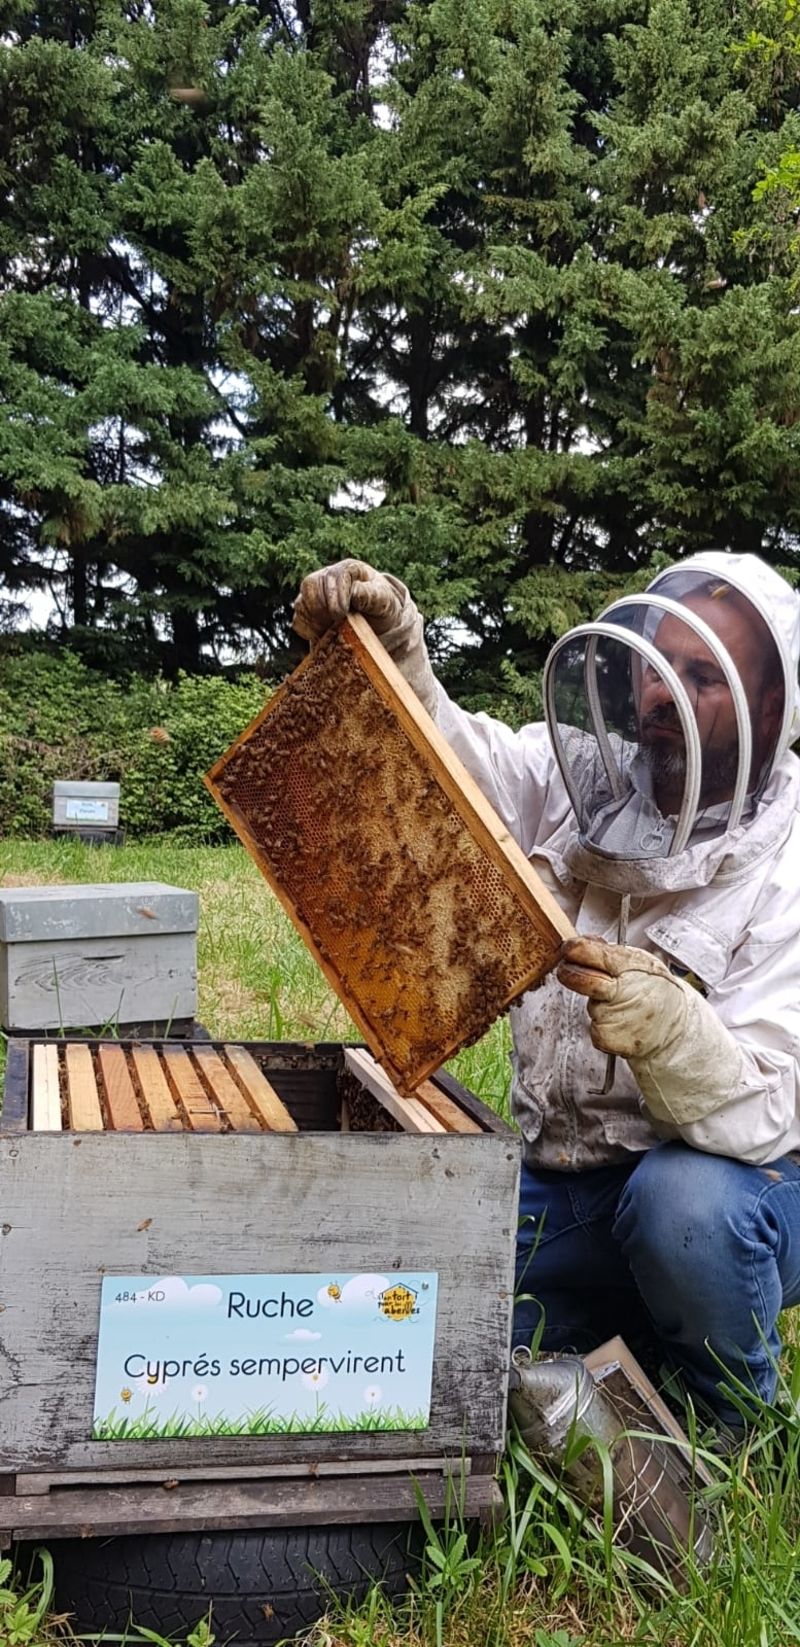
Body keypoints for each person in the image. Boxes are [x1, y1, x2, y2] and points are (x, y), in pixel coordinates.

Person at [293, 552, 800, 1430]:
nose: (658, 694)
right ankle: (629, 1327)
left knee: (684, 1208)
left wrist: (681, 1035)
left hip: (734, 1191)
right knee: (425, 1302)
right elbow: (464, 772)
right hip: (563, 1178)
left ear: (767, 708)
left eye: (701, 677)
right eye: (655, 664)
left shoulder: (787, 860)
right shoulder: (589, 779)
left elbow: (774, 1111)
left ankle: (736, 1420)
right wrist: (403, 651)